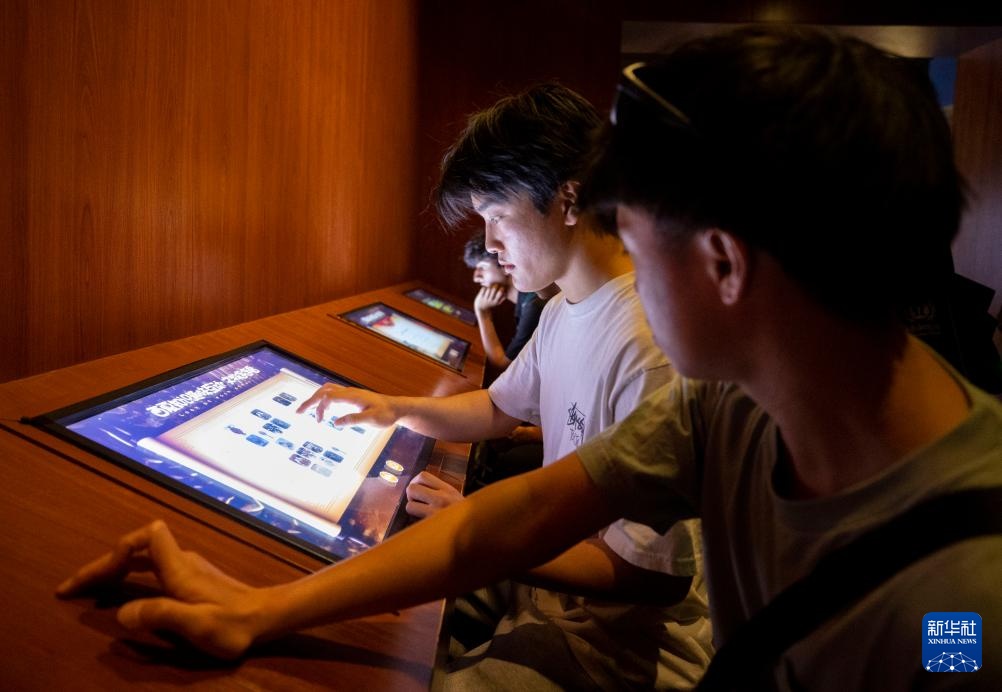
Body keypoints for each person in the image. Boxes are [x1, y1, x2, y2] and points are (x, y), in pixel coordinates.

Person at [58, 25, 1001, 691]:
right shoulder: (728, 404)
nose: (623, 262)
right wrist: (257, 608)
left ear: (723, 264)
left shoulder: (969, 606)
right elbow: (513, 521)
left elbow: (944, 663)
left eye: (635, 233)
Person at [464, 230, 553, 370]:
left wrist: (482, 313)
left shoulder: (534, 305)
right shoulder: (527, 300)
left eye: (482, 267)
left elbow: (505, 366)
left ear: (504, 264)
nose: (476, 278)